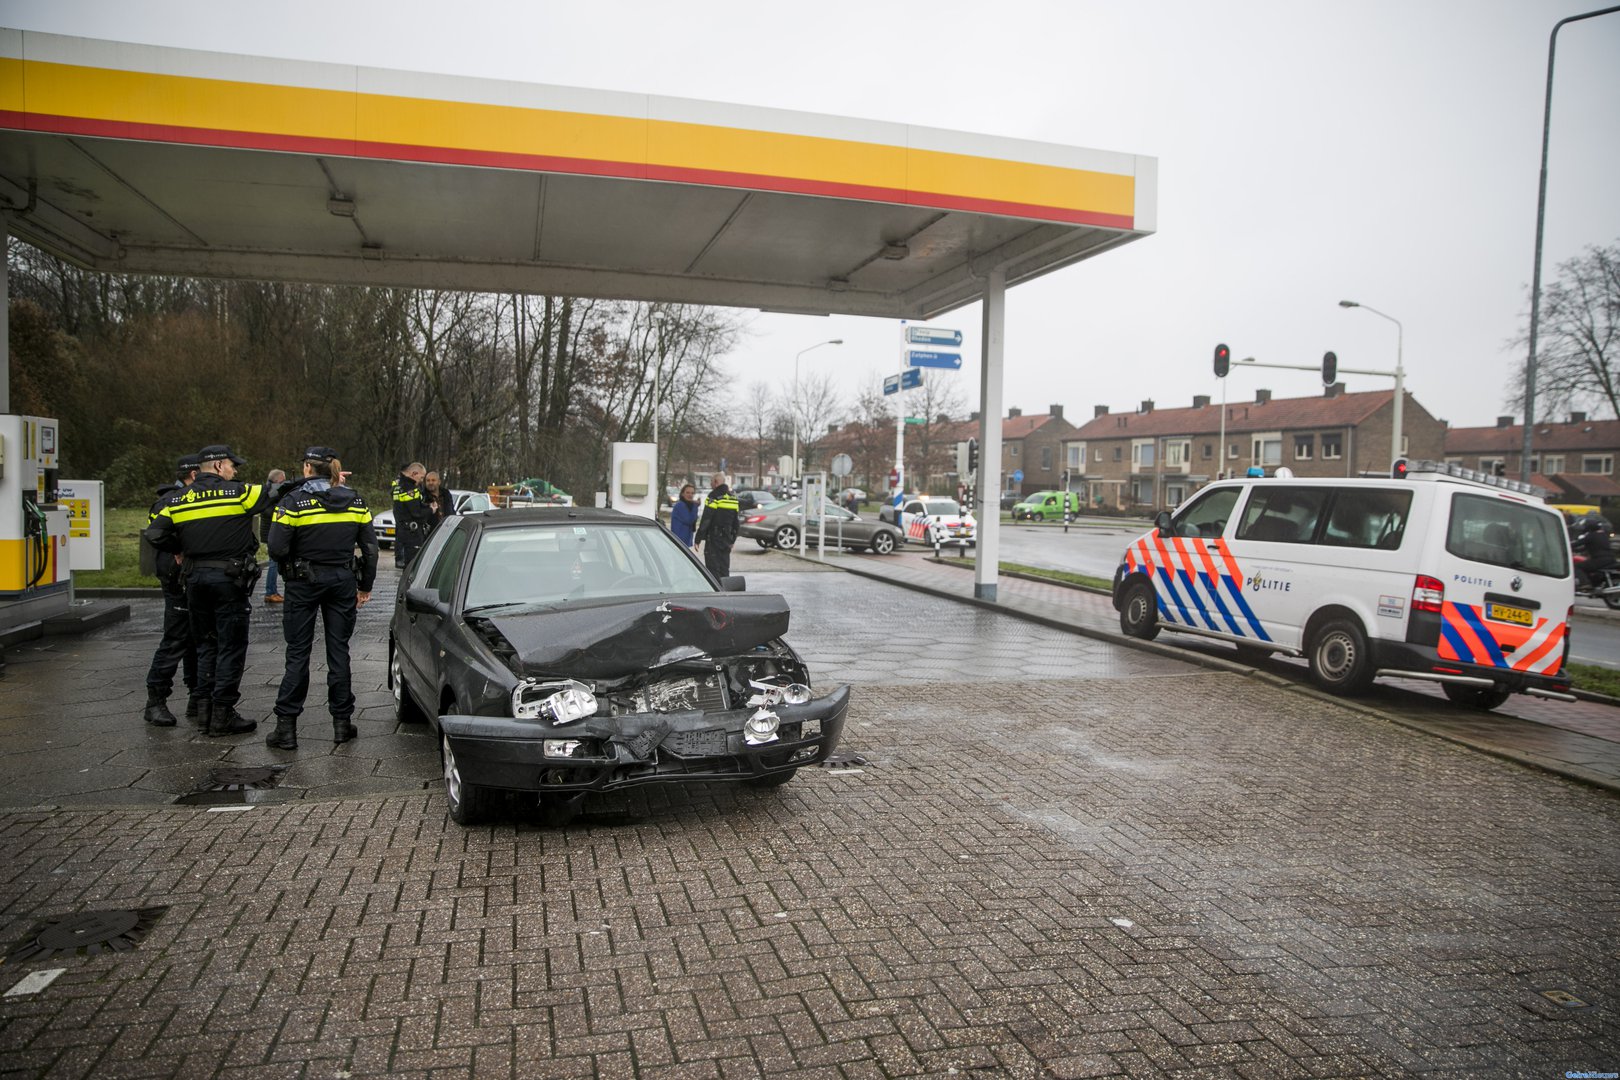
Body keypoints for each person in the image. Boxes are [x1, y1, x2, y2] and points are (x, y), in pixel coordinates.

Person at [145, 445, 278, 737]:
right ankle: (222, 715)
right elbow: (274, 491)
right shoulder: (238, 492)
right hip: (228, 580)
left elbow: (154, 533)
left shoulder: (178, 499)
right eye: (232, 465)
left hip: (194, 580)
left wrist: (177, 549)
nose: (235, 471)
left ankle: (203, 709)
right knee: (230, 647)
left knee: (205, 645)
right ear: (218, 466)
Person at [265, 446, 379, 749]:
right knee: (338, 652)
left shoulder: (293, 501)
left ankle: (286, 729)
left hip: (302, 582)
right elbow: (370, 548)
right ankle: (342, 724)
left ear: (306, 468)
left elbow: (275, 548)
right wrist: (364, 585)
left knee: (298, 654)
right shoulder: (355, 500)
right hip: (342, 580)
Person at [140, 453, 202, 727]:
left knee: (196, 639)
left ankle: (196, 697)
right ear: (194, 476)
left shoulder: (188, 497)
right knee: (177, 638)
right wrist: (179, 551)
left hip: (190, 577)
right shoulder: (171, 501)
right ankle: (155, 701)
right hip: (177, 579)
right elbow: (158, 535)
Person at [694, 471, 740, 579]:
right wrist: (732, 539)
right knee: (724, 567)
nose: (710, 485)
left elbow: (706, 519)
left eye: (711, 482)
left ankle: (715, 593)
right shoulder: (733, 497)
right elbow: (736, 522)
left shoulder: (713, 496)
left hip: (714, 538)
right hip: (726, 538)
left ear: (715, 482)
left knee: (712, 568)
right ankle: (725, 591)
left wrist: (698, 538)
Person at [391, 461, 434, 567]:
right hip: (412, 533)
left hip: (402, 530)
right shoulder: (411, 489)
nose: (421, 481)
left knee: (406, 566)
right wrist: (431, 510)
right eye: (421, 478)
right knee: (413, 565)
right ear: (414, 474)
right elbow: (416, 513)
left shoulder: (397, 485)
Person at [261, 468, 287, 604]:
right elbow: (271, 512)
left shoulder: (266, 490)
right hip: (272, 532)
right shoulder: (273, 493)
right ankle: (270, 592)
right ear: (278, 480)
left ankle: (271, 591)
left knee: (274, 562)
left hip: (268, 532)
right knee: (273, 563)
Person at [1573, 510, 1616, 590]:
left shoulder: (1591, 536)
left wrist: (1567, 546)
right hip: (1610, 559)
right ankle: (1594, 583)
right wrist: (1579, 551)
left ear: (1589, 527)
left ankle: (1585, 583)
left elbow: (1577, 543)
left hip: (1599, 560)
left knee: (1576, 566)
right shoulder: (1603, 535)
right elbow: (1588, 547)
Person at [670, 483, 700, 547]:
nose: (690, 495)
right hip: (680, 541)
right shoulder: (680, 505)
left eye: (692, 493)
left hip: (685, 541)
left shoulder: (689, 505)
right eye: (688, 492)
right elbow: (689, 520)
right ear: (682, 494)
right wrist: (695, 506)